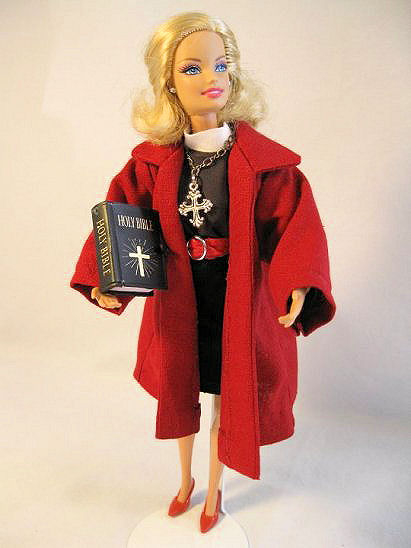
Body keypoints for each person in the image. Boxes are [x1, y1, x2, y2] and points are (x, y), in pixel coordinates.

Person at [70, 11, 336, 534]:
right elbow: (122, 218)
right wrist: (107, 277)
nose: (211, 77)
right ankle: (184, 481)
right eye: (192, 68)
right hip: (182, 296)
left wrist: (299, 282)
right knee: (181, 391)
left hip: (239, 297)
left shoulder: (264, 164)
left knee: (226, 401)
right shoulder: (151, 163)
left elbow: (294, 227)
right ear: (168, 82)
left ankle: (214, 492)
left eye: (221, 64)